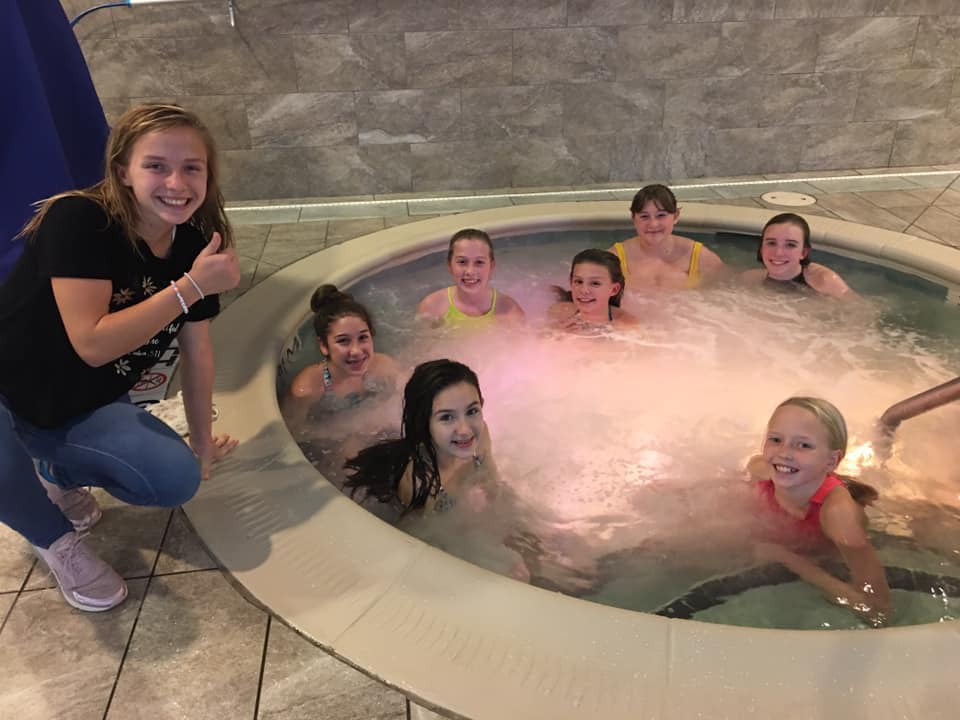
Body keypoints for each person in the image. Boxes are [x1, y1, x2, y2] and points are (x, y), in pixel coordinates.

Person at [0, 104, 241, 612]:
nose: (176, 183)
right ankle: (54, 539)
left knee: (176, 477)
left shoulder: (195, 243)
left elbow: (197, 352)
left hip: (78, 402)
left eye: (192, 167)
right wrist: (192, 286)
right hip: (7, 387)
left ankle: (55, 472)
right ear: (122, 172)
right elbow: (93, 343)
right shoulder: (80, 220)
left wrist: (202, 444)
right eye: (156, 165)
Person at [747, 397, 890, 625]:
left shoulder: (837, 514)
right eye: (776, 439)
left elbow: (876, 609)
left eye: (803, 445)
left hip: (828, 557)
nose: (783, 453)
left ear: (831, 461)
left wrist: (787, 559)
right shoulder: (764, 470)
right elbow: (753, 466)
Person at [343, 359, 496, 518]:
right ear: (423, 422)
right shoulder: (418, 485)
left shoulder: (480, 434)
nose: (465, 430)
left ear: (482, 404)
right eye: (446, 417)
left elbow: (492, 484)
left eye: (472, 411)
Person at [282, 284, 399, 425]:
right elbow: (294, 431)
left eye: (363, 337)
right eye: (343, 341)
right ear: (323, 346)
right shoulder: (307, 390)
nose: (356, 351)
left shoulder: (384, 366)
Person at [608, 184, 725, 290]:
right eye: (644, 217)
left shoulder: (702, 258)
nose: (653, 224)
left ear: (675, 216)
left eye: (661, 215)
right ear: (633, 218)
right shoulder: (613, 260)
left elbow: (725, 292)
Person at [416, 228, 525, 328]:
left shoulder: (509, 311)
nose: (470, 271)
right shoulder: (433, 307)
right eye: (462, 262)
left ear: (491, 266)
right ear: (449, 266)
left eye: (479, 262)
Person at [741, 213, 851, 297]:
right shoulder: (750, 278)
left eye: (790, 245)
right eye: (771, 243)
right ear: (761, 248)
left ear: (803, 252)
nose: (778, 253)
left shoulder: (824, 281)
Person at [548, 249, 638, 330]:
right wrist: (559, 334)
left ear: (614, 289)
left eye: (595, 283)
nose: (584, 290)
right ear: (571, 283)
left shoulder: (628, 326)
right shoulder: (559, 313)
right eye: (578, 281)